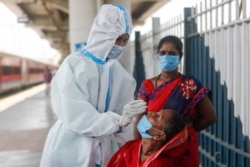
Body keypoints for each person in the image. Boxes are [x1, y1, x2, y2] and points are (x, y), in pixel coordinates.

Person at [40, 4, 147, 167]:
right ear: (102, 35)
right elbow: (74, 114)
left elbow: (124, 116)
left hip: (107, 149)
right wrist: (115, 122)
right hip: (71, 148)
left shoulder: (121, 74)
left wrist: (130, 125)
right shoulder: (74, 64)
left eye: (125, 40)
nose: (120, 46)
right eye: (117, 39)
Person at [135, 35, 216, 167]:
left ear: (180, 56)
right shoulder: (147, 86)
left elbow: (210, 117)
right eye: (163, 53)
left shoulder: (189, 84)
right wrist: (137, 147)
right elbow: (138, 120)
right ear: (158, 56)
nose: (167, 56)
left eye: (172, 53)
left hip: (182, 146)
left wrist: (184, 130)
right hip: (153, 145)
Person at [107, 109, 188, 167]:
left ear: (159, 136)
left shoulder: (158, 164)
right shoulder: (132, 145)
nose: (150, 113)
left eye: (157, 117)